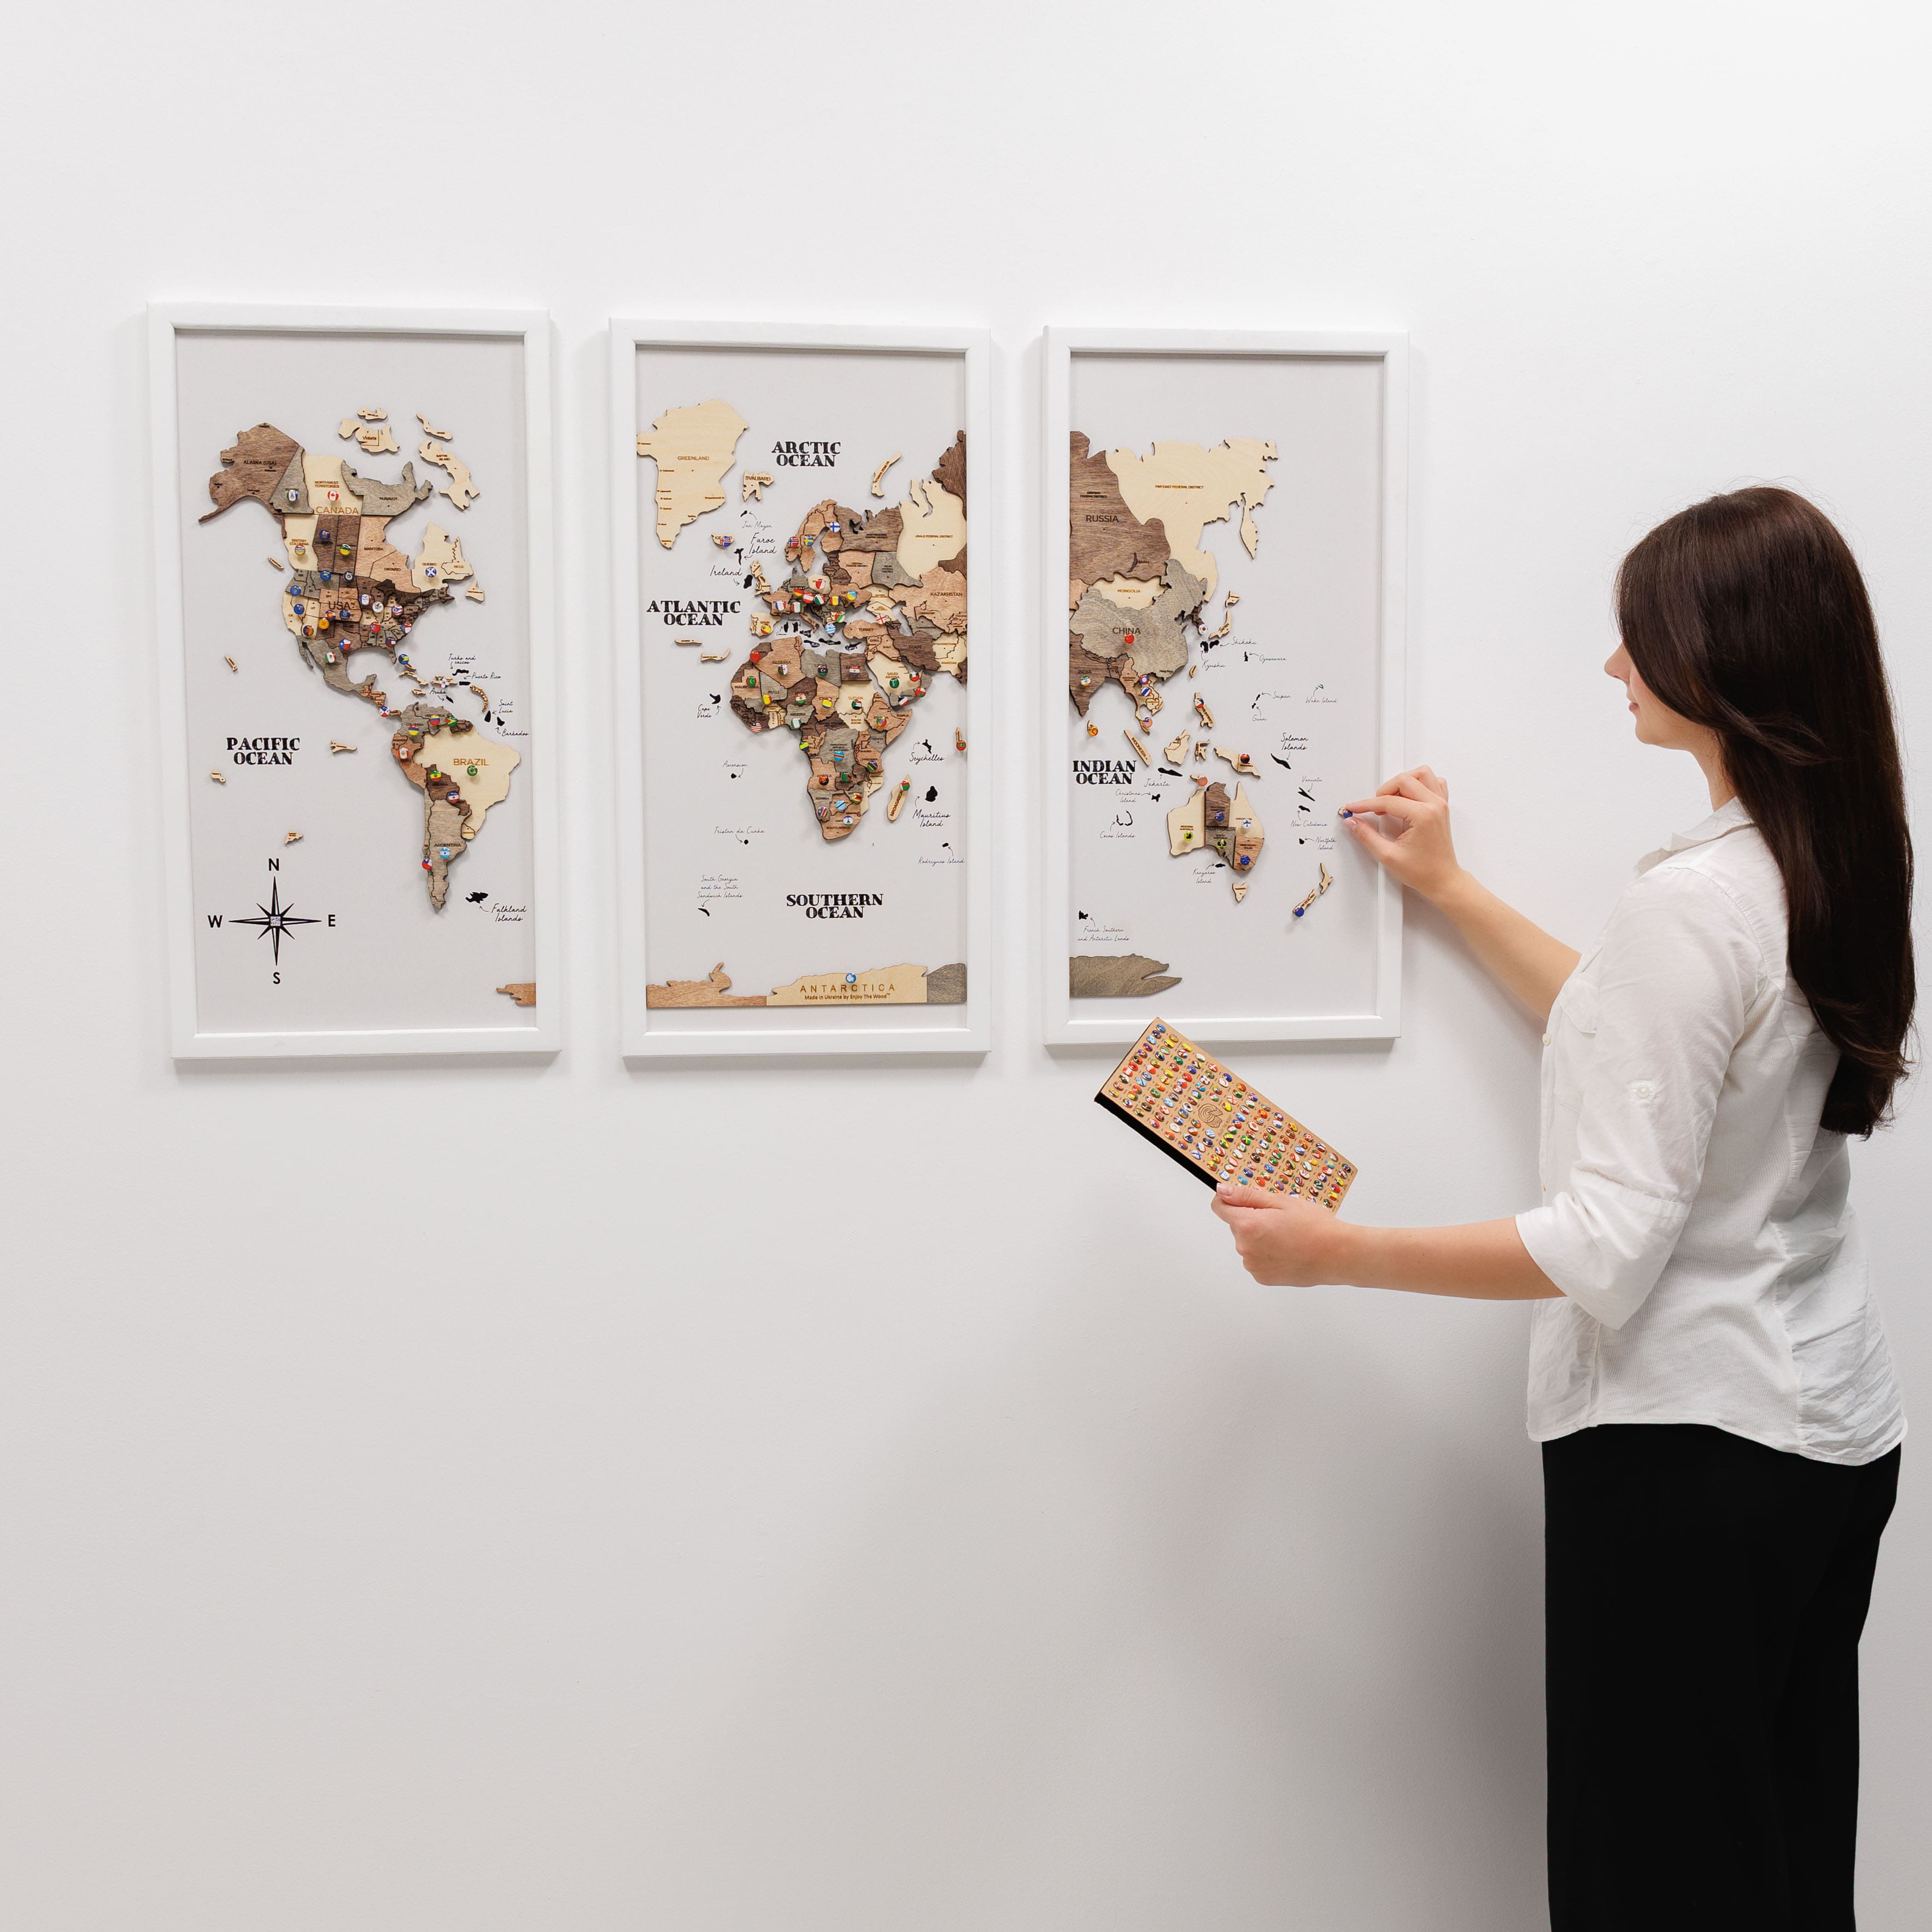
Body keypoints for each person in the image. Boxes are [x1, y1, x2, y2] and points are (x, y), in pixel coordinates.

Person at [1212, 487, 1912, 1930]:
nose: (1613, 670)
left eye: (1635, 643)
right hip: (1824, 1444)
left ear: (1721, 661)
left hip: (1687, 1456)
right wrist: (1454, 895)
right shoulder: (1826, 861)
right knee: (1775, 1861)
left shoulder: (1698, 904)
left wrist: (1333, 1253)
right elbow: (1647, 1037)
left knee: (1655, 1882)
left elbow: (1604, 1241)